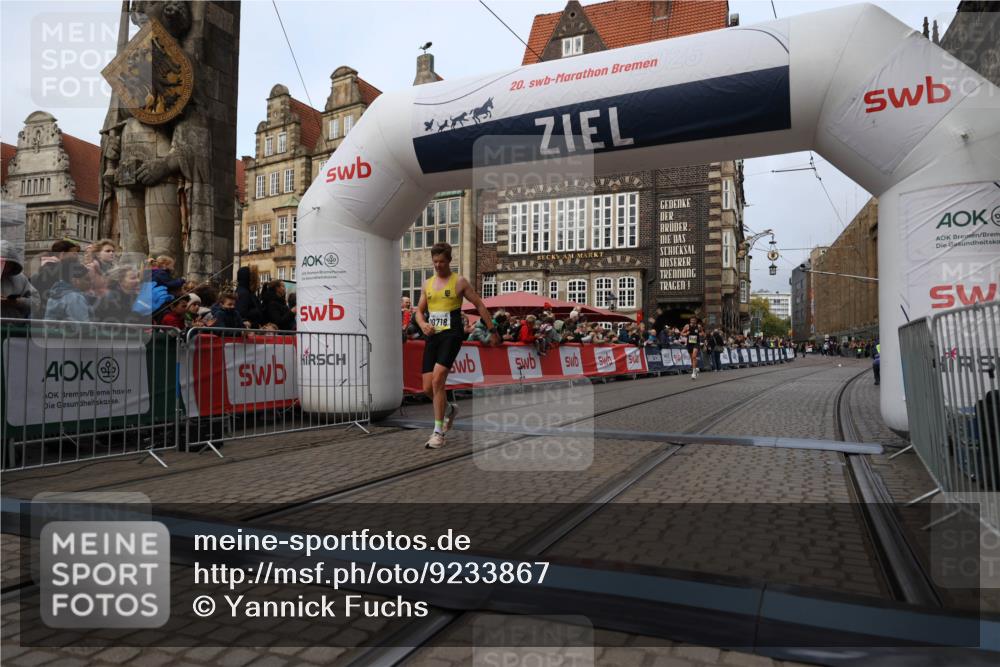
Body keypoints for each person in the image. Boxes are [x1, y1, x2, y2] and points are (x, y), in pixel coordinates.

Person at [414, 242, 494, 449]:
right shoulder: (427, 284)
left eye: (441, 262)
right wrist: (422, 324)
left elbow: (479, 304)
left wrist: (492, 330)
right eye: (435, 262)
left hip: (452, 334)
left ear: (449, 261)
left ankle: (438, 432)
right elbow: (419, 311)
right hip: (433, 335)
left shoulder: (459, 282)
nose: (438, 265)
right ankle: (449, 409)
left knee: (438, 379)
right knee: (426, 388)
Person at [1, 240, 40, 320]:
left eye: (8, 264)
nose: (5, 267)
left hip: (15, 328)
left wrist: (17, 302)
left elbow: (36, 302)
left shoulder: (20, 279)